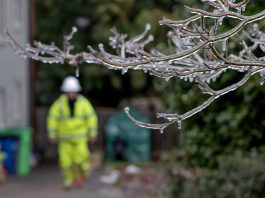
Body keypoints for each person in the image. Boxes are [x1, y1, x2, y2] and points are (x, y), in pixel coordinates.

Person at [47, 76, 98, 190]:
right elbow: (52, 118)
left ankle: (80, 176)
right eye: (69, 91)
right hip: (64, 138)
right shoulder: (59, 104)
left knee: (81, 159)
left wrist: (93, 132)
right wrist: (52, 134)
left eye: (73, 91)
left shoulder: (84, 103)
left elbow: (91, 118)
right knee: (65, 162)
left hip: (80, 138)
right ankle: (68, 180)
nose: (71, 93)